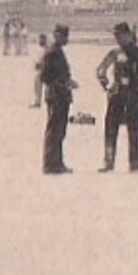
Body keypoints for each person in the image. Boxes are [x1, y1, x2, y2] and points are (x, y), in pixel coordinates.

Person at [96, 21, 138, 172]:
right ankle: (108, 162)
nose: (117, 39)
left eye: (119, 35)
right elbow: (101, 69)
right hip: (117, 94)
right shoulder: (115, 53)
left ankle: (134, 163)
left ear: (127, 35)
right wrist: (104, 82)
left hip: (134, 94)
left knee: (133, 130)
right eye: (115, 36)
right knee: (110, 128)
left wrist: (130, 72)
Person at [38, 24, 78, 174]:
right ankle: (50, 164)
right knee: (54, 130)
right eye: (64, 35)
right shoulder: (52, 53)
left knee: (60, 130)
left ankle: (57, 162)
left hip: (61, 95)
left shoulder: (57, 51)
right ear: (56, 35)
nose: (66, 39)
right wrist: (63, 83)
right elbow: (44, 76)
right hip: (56, 96)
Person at [30, 32, 48, 108]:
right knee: (37, 86)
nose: (40, 41)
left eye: (42, 39)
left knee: (46, 87)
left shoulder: (47, 49)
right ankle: (37, 102)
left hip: (45, 70)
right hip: (39, 70)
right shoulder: (39, 49)